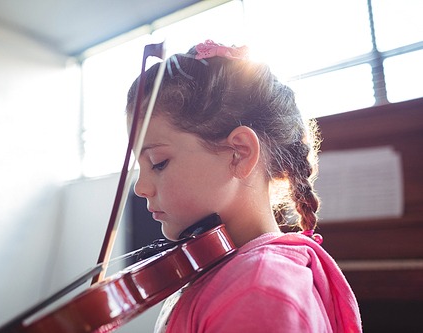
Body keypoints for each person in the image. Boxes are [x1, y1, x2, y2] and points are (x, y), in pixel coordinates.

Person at [126, 40, 362, 333]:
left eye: (158, 162)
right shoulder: (226, 271)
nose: (140, 187)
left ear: (239, 153)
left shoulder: (258, 288)